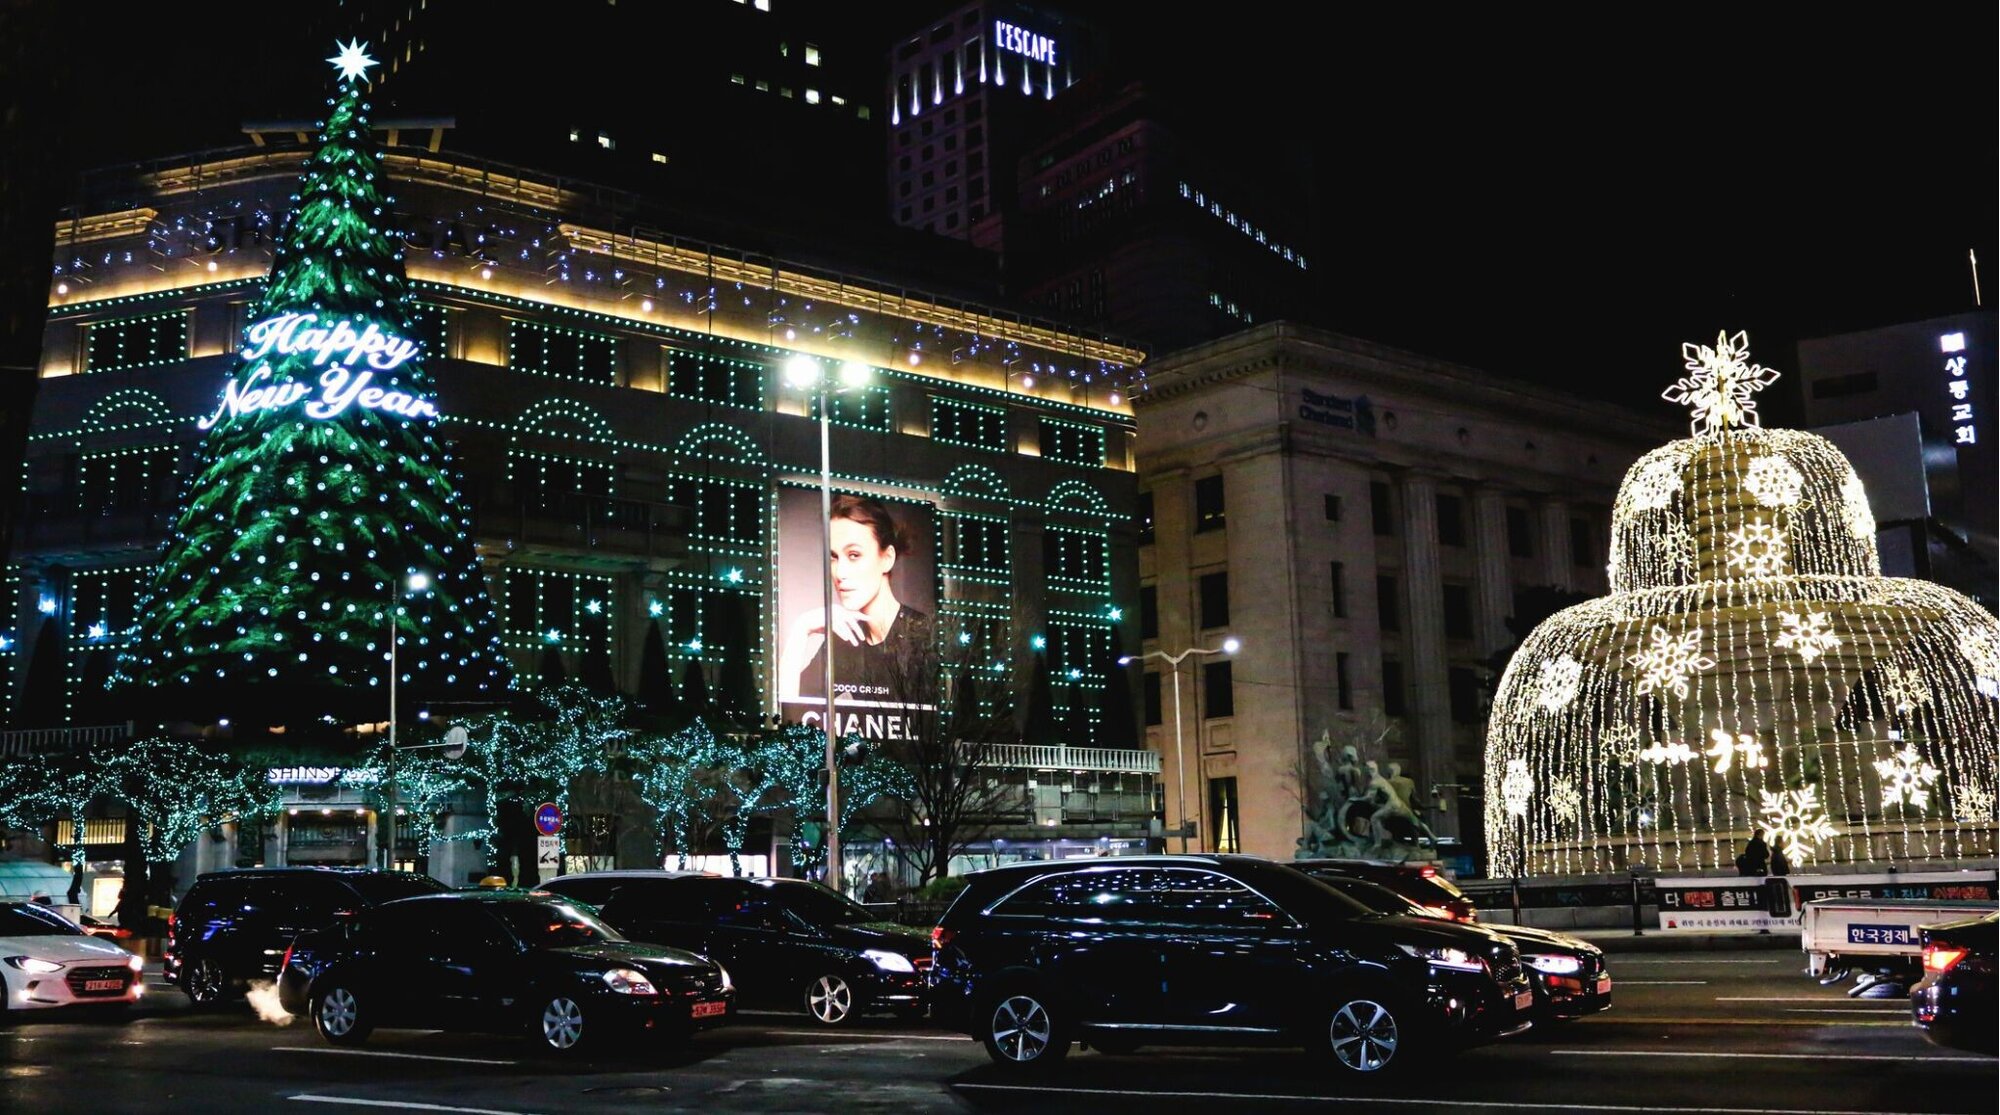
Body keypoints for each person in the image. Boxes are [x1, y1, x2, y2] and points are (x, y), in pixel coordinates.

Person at [780, 494, 935, 714]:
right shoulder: (844, 640)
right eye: (833, 557)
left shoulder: (922, 634)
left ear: (887, 558)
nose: (840, 573)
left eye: (854, 555)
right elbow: (789, 715)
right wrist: (801, 628)